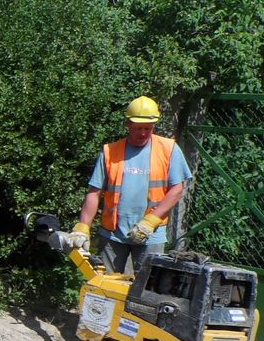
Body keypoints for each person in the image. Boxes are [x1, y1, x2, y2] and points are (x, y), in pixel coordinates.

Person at [70, 96, 193, 274]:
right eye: (138, 128)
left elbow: (177, 189)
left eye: (147, 128)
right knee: (105, 285)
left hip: (151, 234)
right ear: (128, 124)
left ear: (154, 126)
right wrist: (83, 227)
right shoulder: (110, 152)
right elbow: (94, 192)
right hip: (112, 235)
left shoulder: (169, 149)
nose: (142, 133)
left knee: (146, 287)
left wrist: (151, 221)